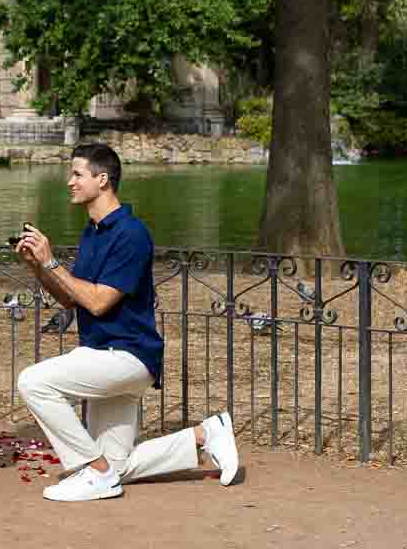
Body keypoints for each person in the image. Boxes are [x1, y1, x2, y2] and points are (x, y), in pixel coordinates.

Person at [13, 142, 240, 502]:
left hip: (127, 357)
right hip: (103, 354)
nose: (69, 181)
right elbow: (71, 298)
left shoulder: (131, 234)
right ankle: (204, 435)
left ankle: (95, 471)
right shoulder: (94, 231)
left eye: (77, 174)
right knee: (118, 466)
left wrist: (52, 260)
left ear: (102, 180)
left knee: (33, 382)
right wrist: (38, 266)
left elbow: (100, 302)